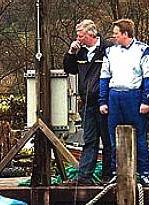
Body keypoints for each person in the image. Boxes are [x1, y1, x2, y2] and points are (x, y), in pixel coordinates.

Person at [99, 18, 149, 187]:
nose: (114, 37)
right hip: (115, 95)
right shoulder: (110, 52)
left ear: (125, 34)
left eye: (116, 33)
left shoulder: (144, 50)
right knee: (113, 137)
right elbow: (104, 77)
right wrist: (103, 100)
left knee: (139, 136)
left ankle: (144, 172)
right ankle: (117, 172)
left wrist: (145, 100)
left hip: (134, 95)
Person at [63, 19, 113, 185]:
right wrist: (71, 53)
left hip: (104, 101)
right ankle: (84, 176)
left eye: (81, 35)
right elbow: (69, 69)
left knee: (108, 140)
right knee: (89, 139)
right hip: (87, 102)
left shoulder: (107, 49)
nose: (78, 38)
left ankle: (108, 175)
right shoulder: (80, 52)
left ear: (91, 34)